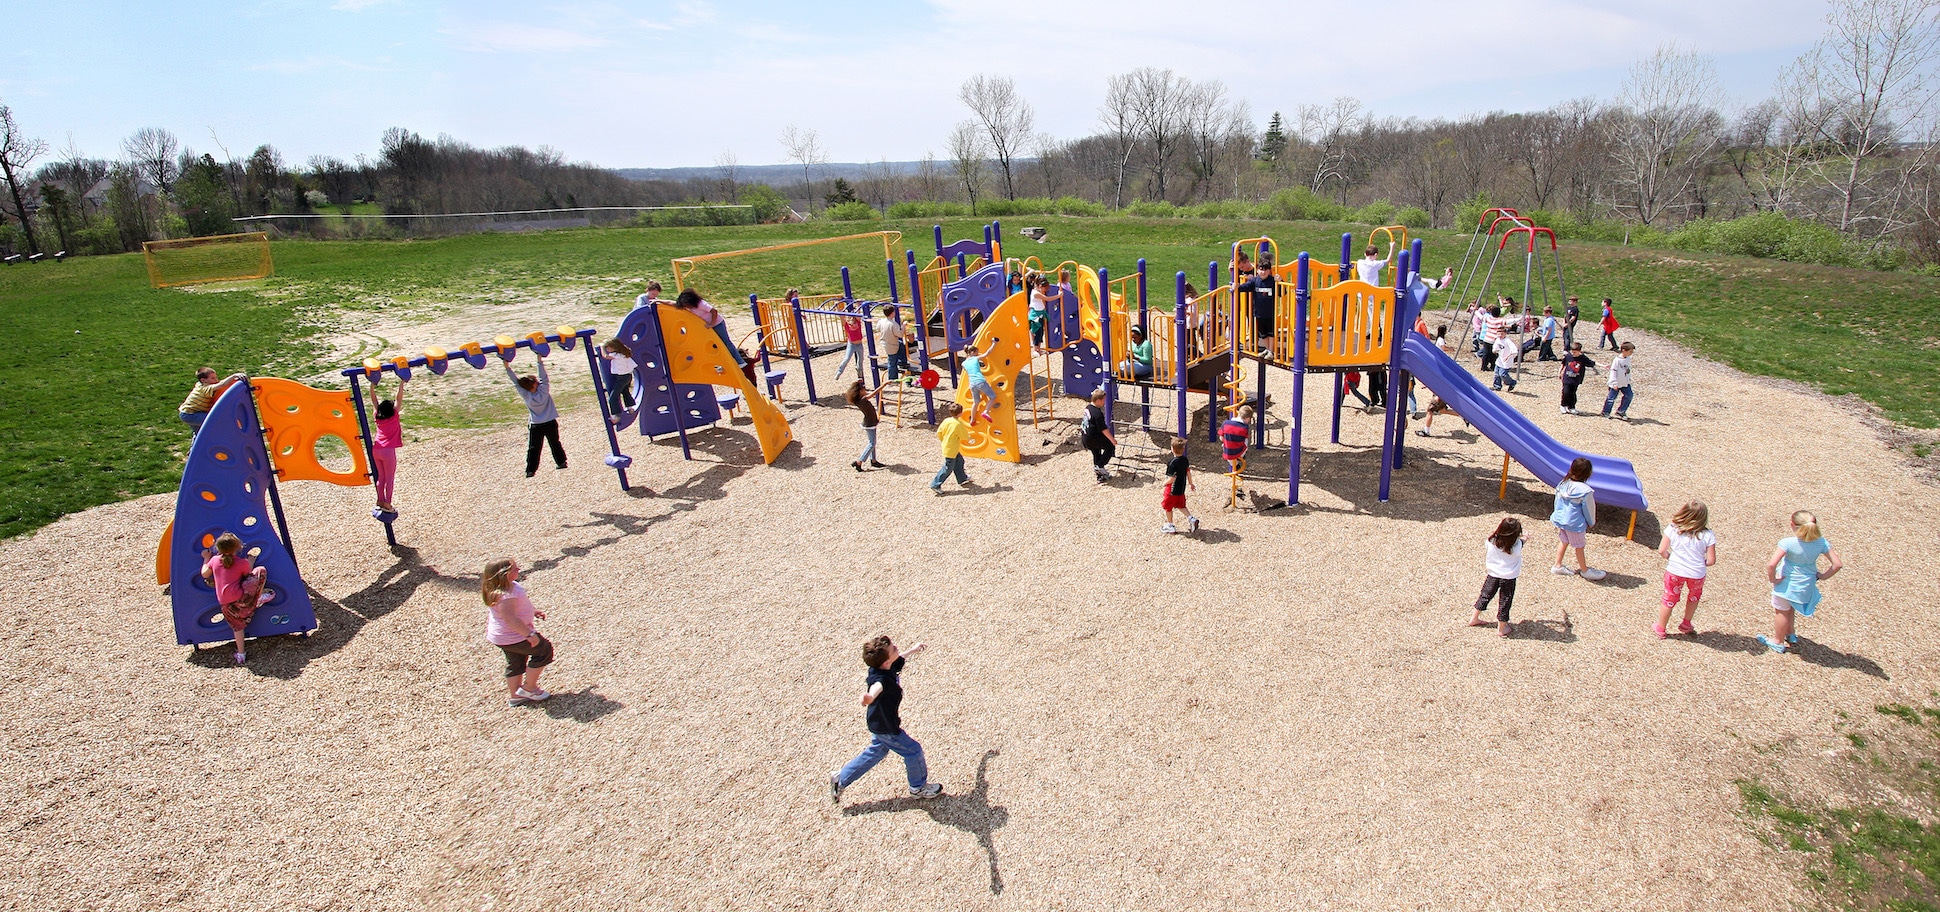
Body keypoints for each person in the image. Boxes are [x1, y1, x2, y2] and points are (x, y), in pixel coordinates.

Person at [829, 636, 943, 803]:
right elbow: (877, 688)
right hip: (886, 727)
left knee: (877, 751)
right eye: (893, 649)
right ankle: (918, 788)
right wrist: (869, 697)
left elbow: (899, 659)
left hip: (878, 722)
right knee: (913, 751)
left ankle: (842, 778)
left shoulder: (886, 666)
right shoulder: (881, 679)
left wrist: (913, 649)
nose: (896, 648)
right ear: (885, 662)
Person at [1760, 510, 1844, 655]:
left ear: (1792, 525)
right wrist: (1823, 576)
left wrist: (1773, 579)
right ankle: (1790, 634)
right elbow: (1837, 564)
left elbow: (1771, 565)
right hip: (1806, 583)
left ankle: (1778, 641)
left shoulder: (1788, 543)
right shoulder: (1821, 542)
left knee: (1781, 612)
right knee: (1791, 607)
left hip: (1786, 584)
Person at [482, 558, 554, 706]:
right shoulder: (506, 595)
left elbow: (518, 608)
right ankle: (529, 688)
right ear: (504, 574)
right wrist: (530, 634)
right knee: (543, 650)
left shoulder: (505, 589)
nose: (519, 569)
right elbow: (510, 619)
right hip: (514, 636)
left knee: (515, 662)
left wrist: (532, 611)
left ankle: (516, 695)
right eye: (514, 569)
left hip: (501, 638)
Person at [202, 532, 271, 665]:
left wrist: (206, 558)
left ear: (218, 548)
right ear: (238, 548)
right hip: (242, 600)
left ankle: (241, 654)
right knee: (260, 571)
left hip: (226, 604)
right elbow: (248, 576)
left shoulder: (214, 560)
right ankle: (258, 598)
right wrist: (250, 561)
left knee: (237, 627)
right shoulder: (241, 562)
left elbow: (205, 574)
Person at [1656, 501, 1716, 639]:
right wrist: (1700, 563)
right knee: (1694, 597)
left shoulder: (1672, 529)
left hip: (1675, 570)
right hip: (1697, 573)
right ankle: (1686, 623)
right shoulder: (1708, 535)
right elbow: (1711, 560)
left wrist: (1670, 557)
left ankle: (1661, 628)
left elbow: (1662, 550)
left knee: (1669, 597)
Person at [505, 356, 567, 478]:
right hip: (550, 422)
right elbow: (544, 377)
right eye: (536, 382)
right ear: (534, 385)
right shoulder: (543, 391)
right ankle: (561, 462)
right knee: (555, 443)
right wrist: (539, 360)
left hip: (536, 425)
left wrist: (507, 367)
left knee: (534, 448)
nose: (538, 382)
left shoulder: (525, 394)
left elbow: (515, 381)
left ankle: (530, 470)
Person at [1468, 517, 1527, 638]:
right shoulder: (1516, 546)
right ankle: (1502, 628)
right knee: (1505, 601)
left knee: (1485, 595)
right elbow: (1522, 542)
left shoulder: (1491, 541)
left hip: (1493, 574)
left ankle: (1474, 618)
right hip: (1508, 577)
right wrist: (1526, 537)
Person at [1549, 457, 1605, 580]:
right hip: (1574, 523)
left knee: (1564, 540)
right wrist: (1591, 522)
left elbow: (1557, 501)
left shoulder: (1563, 484)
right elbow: (1589, 508)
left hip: (1561, 519)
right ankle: (1585, 570)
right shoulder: (1585, 491)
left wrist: (1556, 515)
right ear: (1588, 474)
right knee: (1579, 546)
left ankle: (1557, 565)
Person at [674, 289, 746, 366]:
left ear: (691, 301)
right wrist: (659, 301)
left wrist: (712, 323)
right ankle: (722, 363)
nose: (686, 306)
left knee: (725, 342)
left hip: (717, 324)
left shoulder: (701, 304)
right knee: (713, 344)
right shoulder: (689, 307)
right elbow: (671, 303)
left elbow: (714, 311)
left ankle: (740, 361)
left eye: (686, 304)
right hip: (708, 326)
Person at [367, 376, 406, 514]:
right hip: (388, 451)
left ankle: (380, 500)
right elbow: (399, 398)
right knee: (389, 478)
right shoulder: (394, 414)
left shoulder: (377, 415)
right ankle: (388, 503)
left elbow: (374, 400)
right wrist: (401, 383)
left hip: (376, 449)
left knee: (381, 477)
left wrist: (372, 386)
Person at [179, 368, 247, 433]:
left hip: (188, 412)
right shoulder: (206, 389)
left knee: (200, 433)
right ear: (203, 380)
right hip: (190, 415)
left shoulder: (199, 384)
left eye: (216, 377)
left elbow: (220, 383)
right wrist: (233, 376)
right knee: (214, 420)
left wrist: (232, 381)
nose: (216, 379)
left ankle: (198, 445)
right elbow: (222, 384)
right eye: (213, 378)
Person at [1235, 259, 1278, 358]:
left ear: (1269, 271)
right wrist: (1236, 287)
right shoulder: (1255, 281)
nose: (1263, 272)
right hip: (1259, 312)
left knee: (1271, 333)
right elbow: (1244, 287)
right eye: (1261, 269)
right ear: (1257, 270)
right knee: (1263, 333)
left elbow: (1282, 291)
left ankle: (1271, 351)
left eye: (1266, 270)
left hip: (1270, 313)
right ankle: (1267, 349)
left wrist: (1280, 281)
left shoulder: (1272, 281)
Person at [930, 403, 972, 493]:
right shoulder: (958, 424)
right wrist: (970, 439)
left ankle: (962, 478)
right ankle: (935, 484)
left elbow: (939, 432)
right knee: (948, 468)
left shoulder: (947, 421)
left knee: (959, 461)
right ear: (960, 413)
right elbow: (964, 436)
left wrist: (943, 440)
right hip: (951, 450)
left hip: (949, 447)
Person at [845, 379, 885, 472]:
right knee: (872, 444)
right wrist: (884, 385)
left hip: (870, 423)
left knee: (872, 443)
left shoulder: (858, 400)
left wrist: (858, 382)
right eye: (863, 389)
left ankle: (873, 460)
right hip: (869, 424)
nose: (865, 391)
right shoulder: (863, 400)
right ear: (860, 392)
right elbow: (874, 393)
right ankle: (859, 461)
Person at [1160, 438, 1198, 534]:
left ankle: (1170, 525)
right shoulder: (1185, 460)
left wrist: (1164, 483)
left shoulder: (1172, 463)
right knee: (1181, 505)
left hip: (1172, 489)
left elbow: (1172, 478)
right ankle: (1191, 518)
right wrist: (1191, 483)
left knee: (1168, 507)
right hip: (1181, 488)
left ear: (1172, 449)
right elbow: (1188, 472)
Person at [1081, 388, 1116, 483]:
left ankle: (1100, 476)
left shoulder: (1088, 407)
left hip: (1086, 437)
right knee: (1110, 448)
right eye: (1103, 400)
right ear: (1098, 400)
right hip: (1093, 437)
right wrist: (1112, 440)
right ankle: (1100, 466)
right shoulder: (1097, 414)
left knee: (1096, 453)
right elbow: (1104, 429)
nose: (1104, 402)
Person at [960, 341, 999, 425]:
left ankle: (972, 420)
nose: (977, 355)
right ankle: (986, 412)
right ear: (972, 352)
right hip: (980, 381)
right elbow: (987, 353)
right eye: (976, 353)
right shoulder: (975, 358)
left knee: (976, 402)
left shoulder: (964, 363)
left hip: (972, 384)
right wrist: (994, 343)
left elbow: (967, 371)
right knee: (993, 397)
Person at [599, 339, 636, 418]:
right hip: (628, 376)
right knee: (625, 392)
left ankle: (616, 415)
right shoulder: (624, 353)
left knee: (613, 397)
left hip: (622, 378)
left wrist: (601, 347)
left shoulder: (616, 355)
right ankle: (630, 407)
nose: (607, 350)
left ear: (613, 347)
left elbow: (605, 356)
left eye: (607, 348)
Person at [1558, 342, 1597, 415]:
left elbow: (1592, 363)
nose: (1573, 353)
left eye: (1575, 352)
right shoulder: (1568, 356)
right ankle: (1563, 405)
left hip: (1576, 379)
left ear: (1579, 351)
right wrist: (1559, 372)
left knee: (1573, 393)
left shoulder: (1582, 358)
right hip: (1567, 378)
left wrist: (1603, 366)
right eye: (1572, 351)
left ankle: (1571, 407)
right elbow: (1563, 364)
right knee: (1566, 392)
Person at [876, 306, 914, 381]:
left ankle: (903, 362)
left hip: (886, 342)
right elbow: (900, 334)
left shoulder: (881, 321)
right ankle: (892, 379)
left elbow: (877, 328)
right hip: (891, 345)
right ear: (892, 313)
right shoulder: (893, 324)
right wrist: (903, 326)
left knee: (901, 345)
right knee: (892, 362)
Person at [1601, 341, 1635, 420]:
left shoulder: (1628, 359)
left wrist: (1628, 380)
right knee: (1611, 398)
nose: (1631, 353)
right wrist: (1614, 383)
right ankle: (1605, 412)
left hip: (1625, 383)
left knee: (1629, 395)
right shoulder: (1617, 360)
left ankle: (1621, 411)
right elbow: (1613, 371)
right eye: (1630, 351)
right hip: (1615, 383)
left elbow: (1627, 370)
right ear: (1624, 350)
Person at [835, 309, 868, 381]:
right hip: (851, 345)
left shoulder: (858, 322)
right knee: (846, 358)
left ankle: (859, 371)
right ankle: (839, 372)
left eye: (851, 319)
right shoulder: (846, 325)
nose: (851, 321)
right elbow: (841, 316)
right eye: (849, 319)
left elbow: (858, 313)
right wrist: (837, 307)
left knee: (861, 360)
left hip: (859, 344)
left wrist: (858, 305)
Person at [1220, 406, 1250, 476]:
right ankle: (1242, 456)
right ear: (1248, 418)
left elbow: (1221, 438)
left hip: (1228, 452)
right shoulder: (1245, 427)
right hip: (1240, 451)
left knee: (1224, 446)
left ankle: (1236, 466)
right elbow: (1245, 439)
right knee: (1245, 439)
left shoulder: (1225, 423)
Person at [1027, 274, 1049, 351]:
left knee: (1040, 332)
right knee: (1036, 331)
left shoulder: (1037, 290)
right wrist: (1059, 296)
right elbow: (1047, 299)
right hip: (1035, 315)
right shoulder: (1035, 293)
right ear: (1039, 286)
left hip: (1040, 314)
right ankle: (1035, 348)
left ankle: (1038, 348)